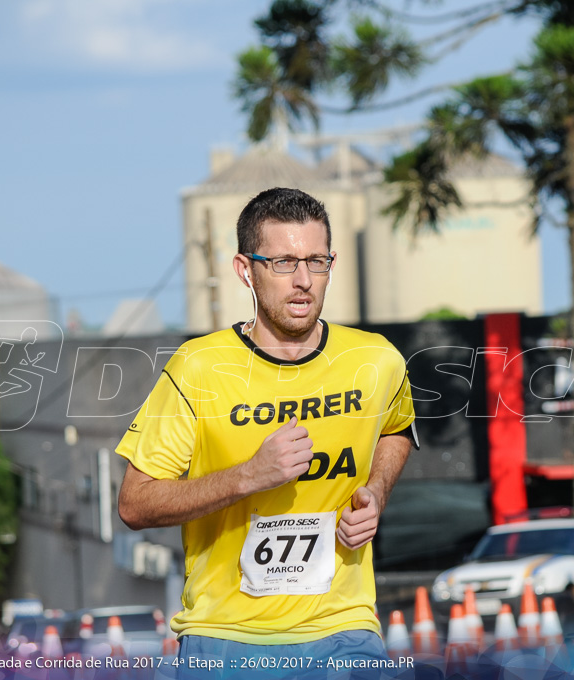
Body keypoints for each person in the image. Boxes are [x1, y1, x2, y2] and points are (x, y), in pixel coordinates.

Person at [116, 187, 417, 675]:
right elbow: (135, 503)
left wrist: (377, 492)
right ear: (245, 270)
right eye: (282, 263)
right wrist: (248, 476)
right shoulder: (198, 368)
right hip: (227, 639)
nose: (303, 281)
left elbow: (396, 429)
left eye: (317, 262)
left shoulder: (375, 360)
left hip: (344, 629)